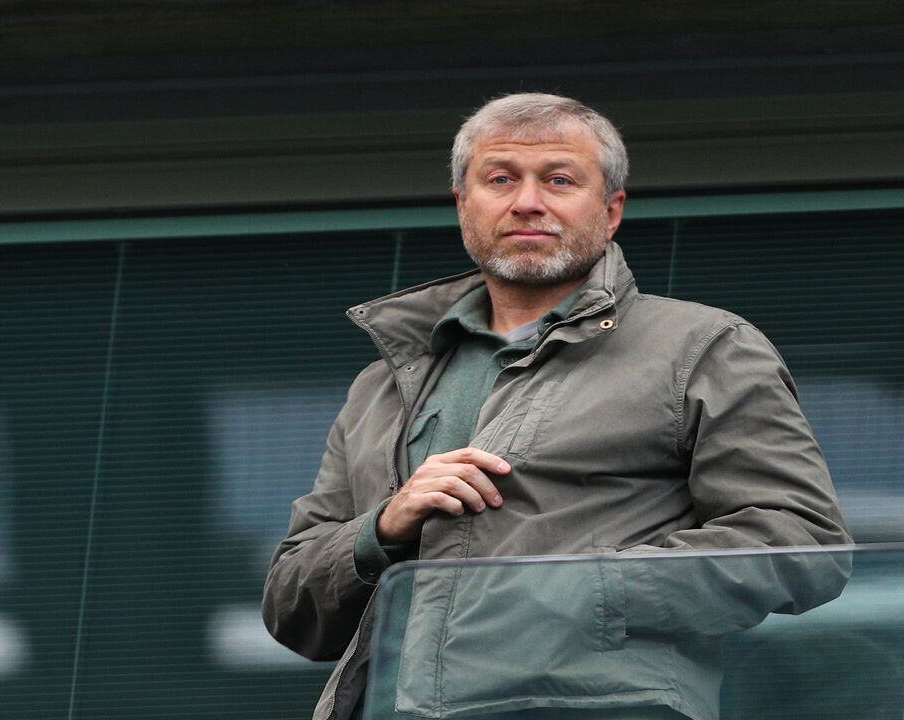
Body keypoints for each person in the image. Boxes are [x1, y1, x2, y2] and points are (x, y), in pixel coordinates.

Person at [262, 92, 851, 720]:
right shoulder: (383, 382)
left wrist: (579, 588)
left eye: (560, 179)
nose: (527, 202)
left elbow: (801, 544)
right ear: (465, 206)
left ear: (611, 210)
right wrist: (382, 528)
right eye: (500, 179)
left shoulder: (703, 347)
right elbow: (289, 604)